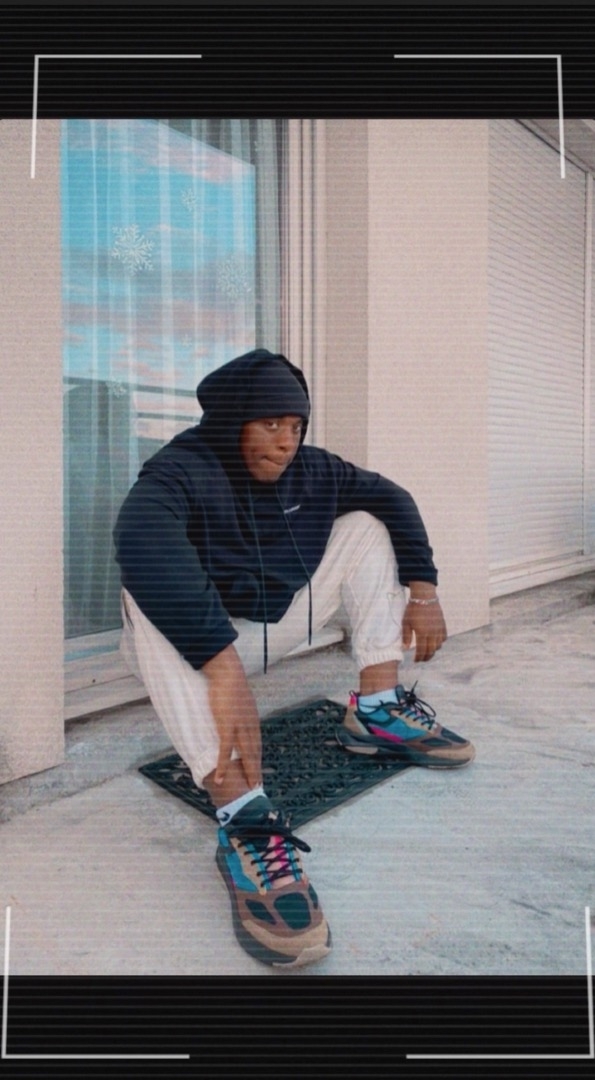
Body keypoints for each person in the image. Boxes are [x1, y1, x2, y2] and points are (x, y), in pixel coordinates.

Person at [113, 347, 475, 969]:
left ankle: (377, 708)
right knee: (144, 590)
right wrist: (222, 668)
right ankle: (243, 815)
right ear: (233, 420)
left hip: (269, 629)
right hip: (193, 656)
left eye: (297, 425)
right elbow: (139, 537)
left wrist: (425, 590)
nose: (286, 441)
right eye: (271, 423)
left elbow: (393, 497)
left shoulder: (313, 470)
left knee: (366, 525)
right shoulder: (182, 468)